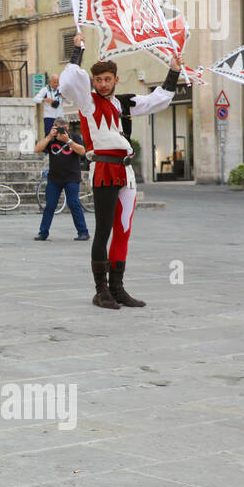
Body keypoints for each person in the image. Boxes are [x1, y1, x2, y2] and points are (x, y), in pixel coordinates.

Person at [60, 33, 181, 309]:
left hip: (126, 173)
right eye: (98, 80)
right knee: (103, 230)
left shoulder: (124, 103)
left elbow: (158, 100)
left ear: (115, 80)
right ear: (94, 82)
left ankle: (117, 288)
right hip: (103, 168)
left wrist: (173, 70)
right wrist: (77, 50)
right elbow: (68, 80)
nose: (102, 84)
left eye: (107, 79)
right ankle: (100, 291)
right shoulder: (87, 101)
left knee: (123, 230)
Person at [33, 120, 89, 242]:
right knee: (50, 206)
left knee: (74, 204)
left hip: (72, 177)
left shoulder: (74, 137)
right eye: (59, 128)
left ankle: (83, 232)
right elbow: (37, 149)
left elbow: (82, 151)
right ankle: (43, 233)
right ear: (55, 128)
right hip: (54, 178)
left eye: (64, 128)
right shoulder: (51, 139)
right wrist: (49, 136)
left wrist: (68, 141)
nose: (62, 131)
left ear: (68, 127)